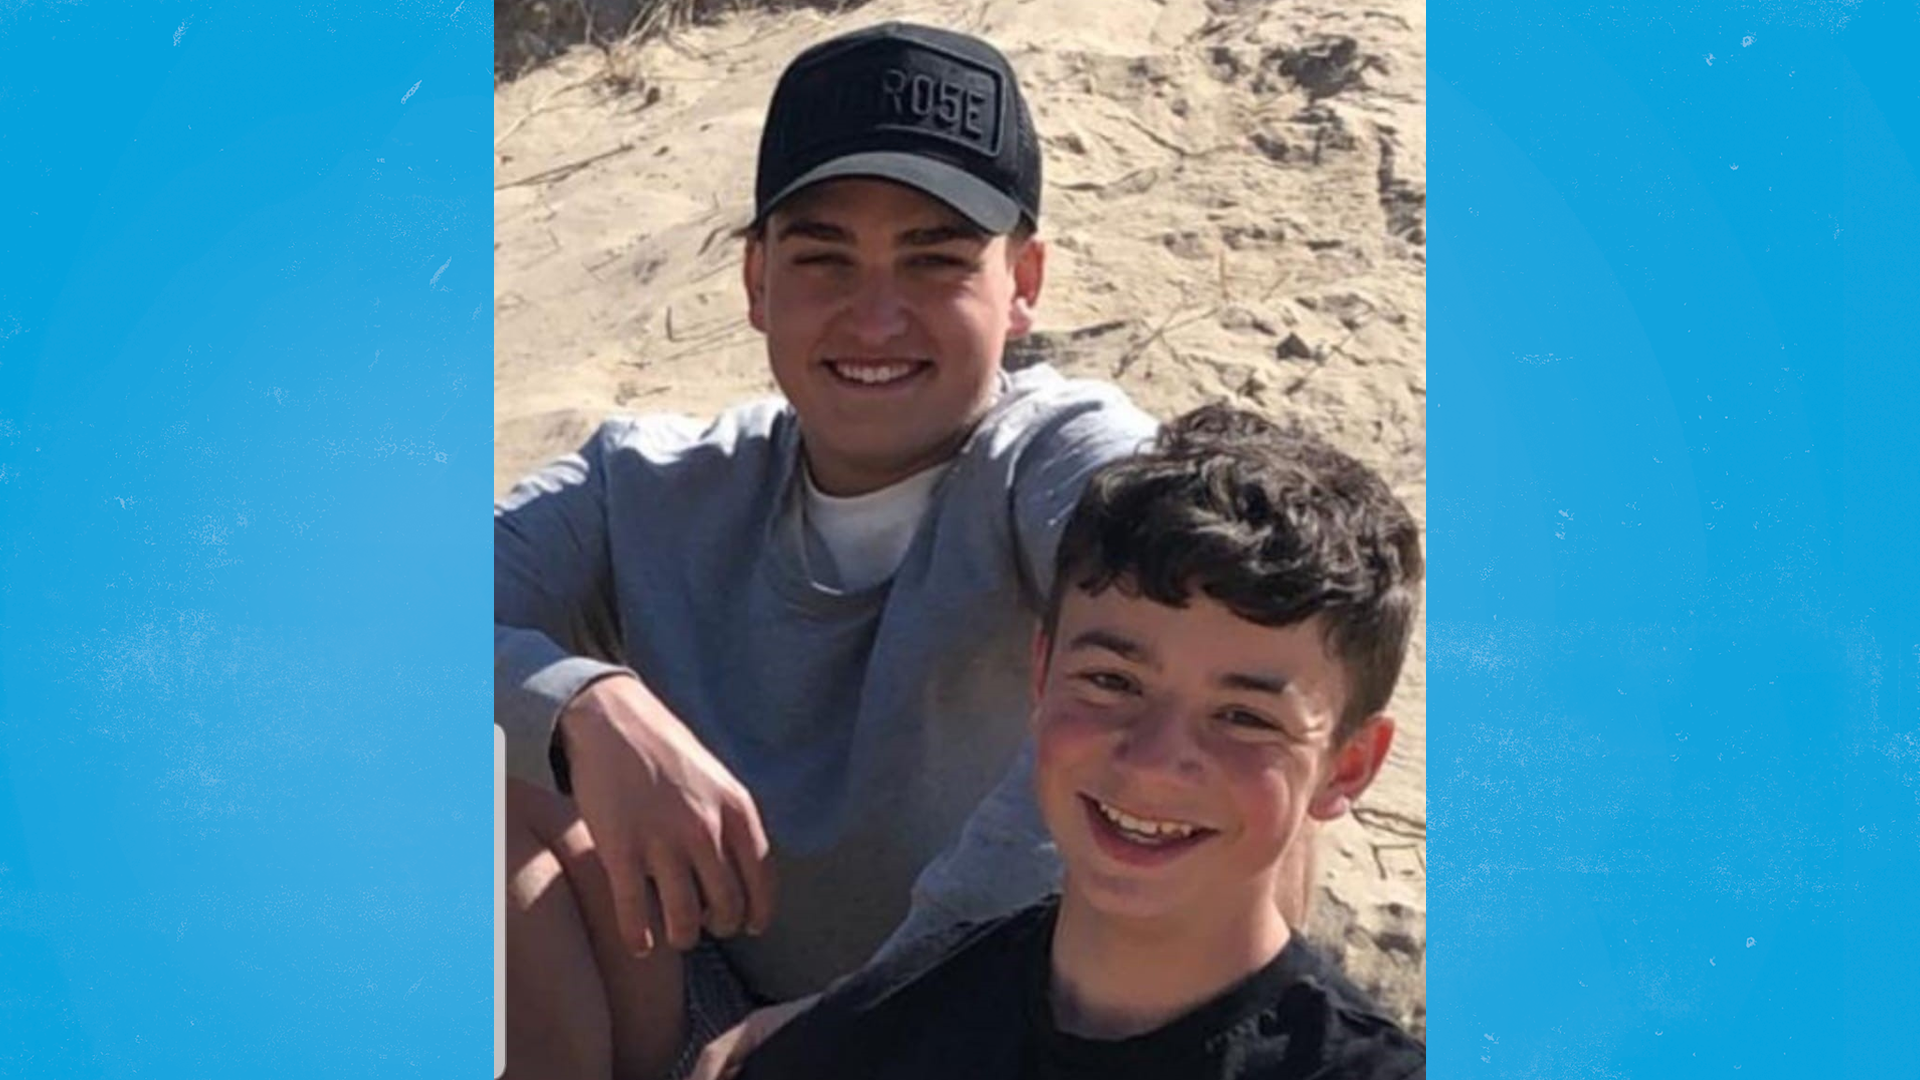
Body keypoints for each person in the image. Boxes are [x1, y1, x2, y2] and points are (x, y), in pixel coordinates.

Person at [496, 22, 1179, 1080]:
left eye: (936, 260)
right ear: (757, 280)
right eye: (824, 258)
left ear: (1024, 281)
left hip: (988, 1019)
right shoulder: (648, 482)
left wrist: (874, 1011)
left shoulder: (1058, 458)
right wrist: (585, 704)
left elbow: (1177, 615)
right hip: (712, 1009)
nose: (875, 316)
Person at [730, 403, 1427, 1080]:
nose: (1154, 762)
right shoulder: (873, 1035)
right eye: (1112, 682)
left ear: (1349, 765)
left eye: (1244, 717)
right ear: (1042, 674)